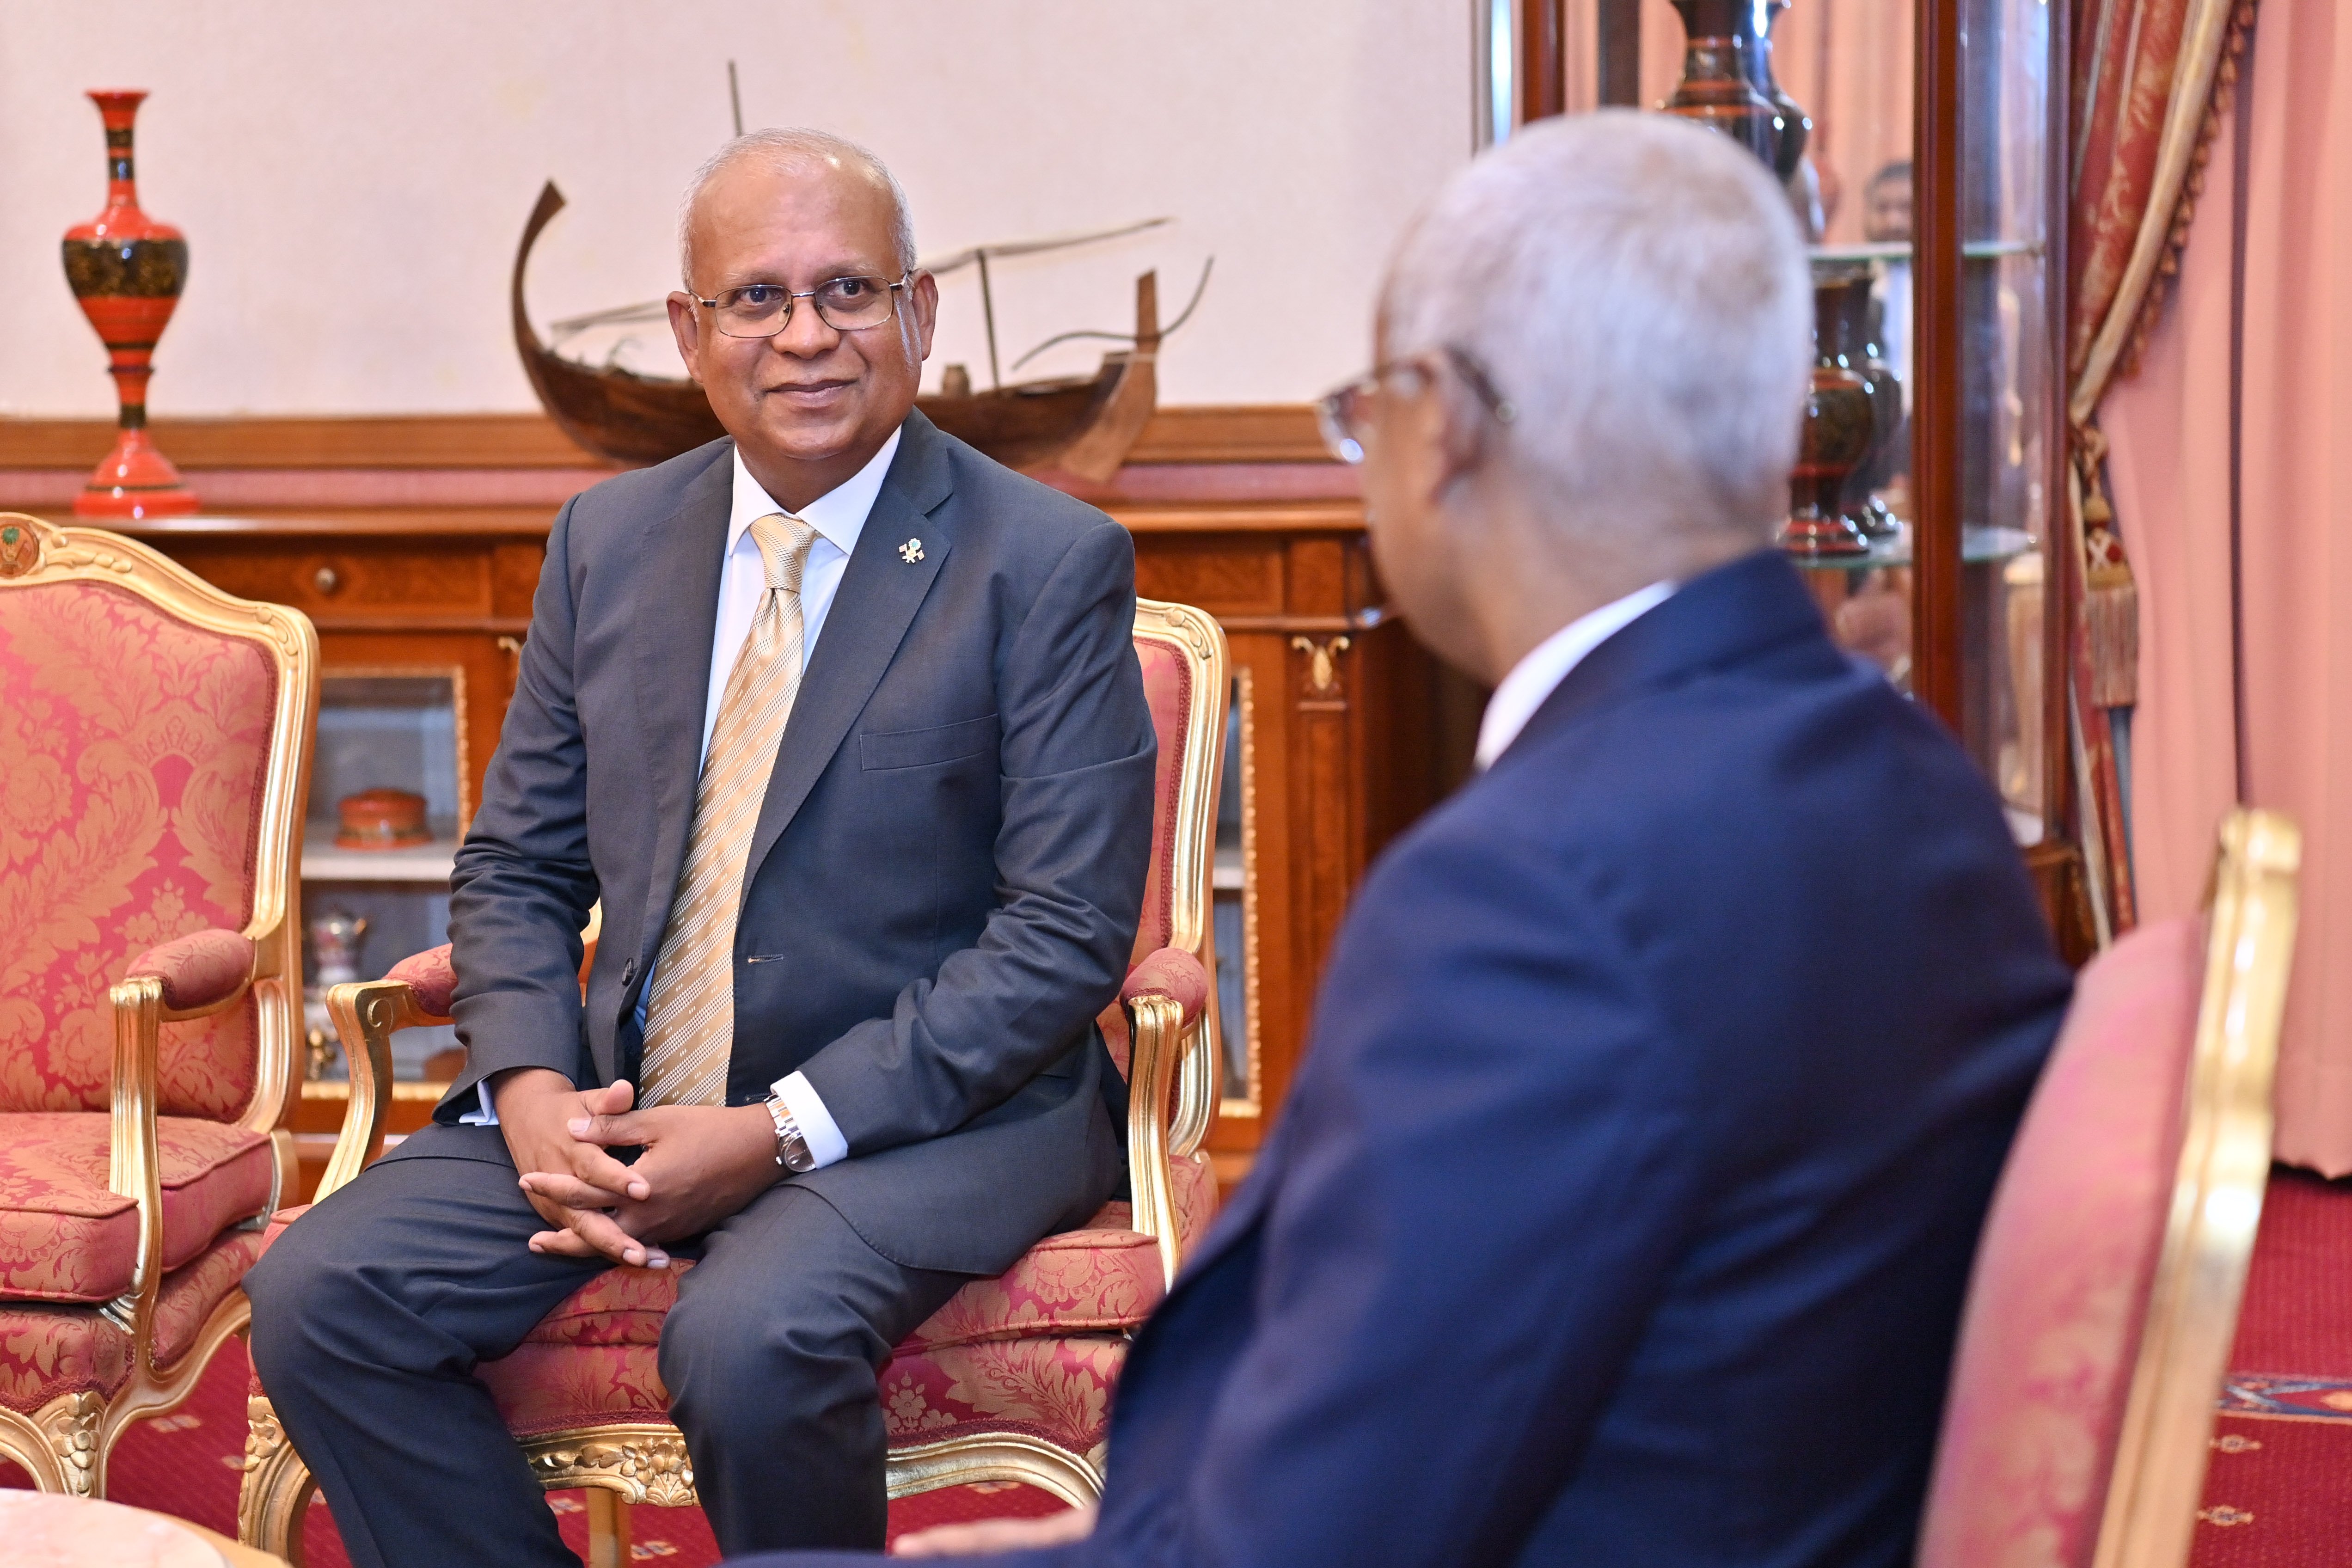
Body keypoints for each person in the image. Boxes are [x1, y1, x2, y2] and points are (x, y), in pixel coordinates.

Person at [754, 111, 2075, 1568]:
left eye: (1366, 408)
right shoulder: (1915, 777)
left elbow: (1313, 1541)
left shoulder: (1532, 897)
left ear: (1440, 423)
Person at [245, 129, 1157, 1565]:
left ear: (919, 312)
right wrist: (533, 1090)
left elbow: (1061, 939)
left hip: (925, 1118)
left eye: (848, 290)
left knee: (751, 1340)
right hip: (622, 1097)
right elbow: (518, 866)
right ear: (690, 331)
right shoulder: (608, 541)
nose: (806, 336)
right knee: (322, 1296)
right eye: (758, 298)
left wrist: (778, 1128)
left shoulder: (1044, 561)